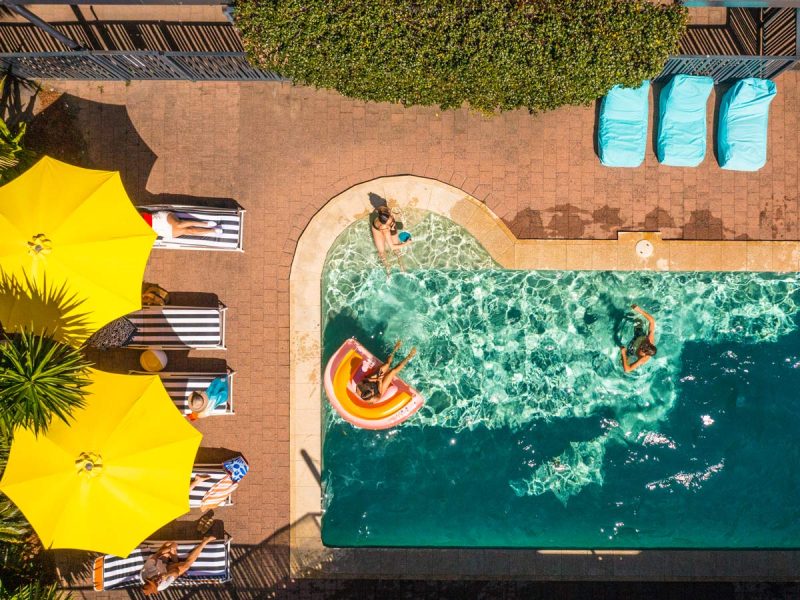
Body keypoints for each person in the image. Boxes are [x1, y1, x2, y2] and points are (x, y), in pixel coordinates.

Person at [141, 536, 215, 595]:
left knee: (170, 544)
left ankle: (174, 561)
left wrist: (170, 548)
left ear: (149, 579)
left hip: (159, 562)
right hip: (166, 570)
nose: (158, 582)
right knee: (186, 566)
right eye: (157, 585)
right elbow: (175, 572)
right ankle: (204, 542)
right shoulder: (162, 585)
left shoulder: (146, 570)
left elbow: (157, 555)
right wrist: (167, 575)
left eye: (155, 582)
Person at [370, 206, 411, 277]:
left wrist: (392, 224)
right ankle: (388, 268)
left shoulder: (384, 213)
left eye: (391, 220)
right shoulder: (384, 228)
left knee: (397, 249)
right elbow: (392, 247)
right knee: (382, 252)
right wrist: (406, 243)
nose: (392, 222)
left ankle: (401, 265)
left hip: (385, 226)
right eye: (390, 223)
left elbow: (380, 209)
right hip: (378, 231)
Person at [620, 304, 657, 373]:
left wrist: (623, 354)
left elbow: (627, 370)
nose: (642, 345)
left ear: (645, 353)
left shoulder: (643, 358)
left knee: (622, 359)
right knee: (638, 320)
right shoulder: (650, 339)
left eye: (643, 348)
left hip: (632, 349)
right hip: (639, 336)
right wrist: (639, 310)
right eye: (646, 344)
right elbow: (652, 321)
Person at [140, 210, 222, 240]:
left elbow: (146, 215)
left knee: (178, 224)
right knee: (187, 230)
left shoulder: (136, 216)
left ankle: (205, 224)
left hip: (160, 218)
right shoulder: (138, 234)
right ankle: (212, 230)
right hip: (162, 230)